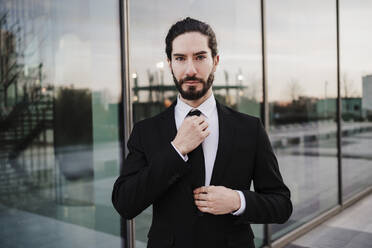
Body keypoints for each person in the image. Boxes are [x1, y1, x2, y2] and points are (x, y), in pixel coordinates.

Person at [112, 17, 292, 248]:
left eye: (200, 57)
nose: (191, 69)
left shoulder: (250, 128)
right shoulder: (146, 131)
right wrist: (176, 150)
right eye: (180, 58)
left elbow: (281, 205)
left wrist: (238, 201)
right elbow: (125, 203)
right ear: (170, 64)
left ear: (215, 61)